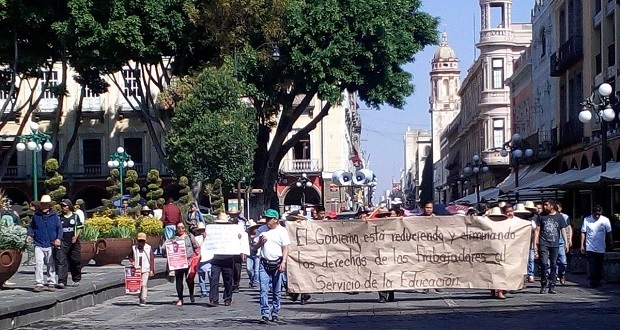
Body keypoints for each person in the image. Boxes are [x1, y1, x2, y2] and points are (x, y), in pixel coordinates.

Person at [254, 209, 290, 324]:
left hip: (277, 262)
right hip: (264, 263)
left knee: (276, 290)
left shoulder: (282, 231)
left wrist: (283, 262)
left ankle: (275, 312)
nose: (267, 221)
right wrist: (260, 242)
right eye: (266, 218)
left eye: (270, 219)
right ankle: (264, 313)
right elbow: (254, 246)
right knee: (263, 290)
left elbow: (285, 248)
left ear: (276, 220)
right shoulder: (261, 230)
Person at [27, 195, 63, 292]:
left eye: (46, 205)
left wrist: (58, 239)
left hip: (51, 244)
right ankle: (39, 283)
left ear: (50, 205)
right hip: (39, 243)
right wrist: (29, 235)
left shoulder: (55, 216)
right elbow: (31, 227)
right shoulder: (36, 216)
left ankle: (51, 282)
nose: (44, 206)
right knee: (38, 263)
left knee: (50, 264)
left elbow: (59, 228)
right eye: (43, 205)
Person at [207, 212, 242, 307]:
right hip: (215, 258)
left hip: (228, 257)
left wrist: (238, 238)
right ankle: (213, 299)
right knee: (214, 279)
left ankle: (228, 298)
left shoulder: (231, 229)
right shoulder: (213, 230)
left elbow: (239, 240)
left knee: (228, 279)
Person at [534, 199, 569, 294]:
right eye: (544, 205)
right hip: (543, 243)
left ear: (552, 206)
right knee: (544, 263)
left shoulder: (559, 217)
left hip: (555, 243)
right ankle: (543, 283)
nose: (544, 207)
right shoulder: (541, 216)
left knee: (554, 264)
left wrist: (566, 242)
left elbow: (563, 230)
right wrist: (535, 244)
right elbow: (537, 230)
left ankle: (552, 284)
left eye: (546, 205)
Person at [581, 205, 612, 288]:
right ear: (593, 213)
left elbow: (609, 232)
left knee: (599, 264)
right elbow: (583, 232)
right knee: (592, 264)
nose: (597, 216)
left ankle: (598, 279)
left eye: (599, 214)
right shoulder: (587, 220)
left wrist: (610, 242)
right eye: (596, 214)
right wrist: (582, 245)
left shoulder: (605, 220)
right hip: (590, 246)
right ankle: (593, 280)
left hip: (601, 246)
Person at [55, 199, 83, 289]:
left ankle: (76, 278)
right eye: (62, 206)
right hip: (63, 242)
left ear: (69, 206)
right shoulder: (59, 218)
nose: (63, 208)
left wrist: (76, 236)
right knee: (62, 261)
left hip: (74, 242)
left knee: (75, 260)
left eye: (65, 206)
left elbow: (79, 227)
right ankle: (62, 281)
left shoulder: (75, 217)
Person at [170, 222, 199, 306]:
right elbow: (165, 247)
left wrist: (196, 257)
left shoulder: (190, 236)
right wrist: (171, 243)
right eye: (178, 228)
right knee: (179, 280)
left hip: (189, 261)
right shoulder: (174, 237)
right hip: (178, 262)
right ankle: (180, 298)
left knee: (189, 279)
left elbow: (196, 246)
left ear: (185, 228)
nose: (180, 229)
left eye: (182, 228)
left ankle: (191, 293)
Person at [129, 232, 155, 306]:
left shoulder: (148, 247)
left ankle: (144, 298)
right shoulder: (134, 248)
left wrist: (152, 269)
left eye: (143, 241)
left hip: (146, 268)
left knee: (144, 284)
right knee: (138, 284)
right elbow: (130, 256)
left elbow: (152, 259)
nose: (141, 243)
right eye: (140, 241)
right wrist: (132, 261)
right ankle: (140, 296)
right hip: (137, 268)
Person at [227, 207, 245, 292]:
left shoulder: (241, 223)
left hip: (238, 248)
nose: (233, 216)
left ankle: (236, 284)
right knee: (229, 268)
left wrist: (243, 251)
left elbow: (244, 236)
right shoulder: (226, 223)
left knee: (237, 268)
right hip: (228, 248)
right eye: (232, 214)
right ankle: (230, 283)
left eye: (234, 214)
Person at [193, 222, 212, 298]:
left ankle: (212, 289)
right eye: (200, 230)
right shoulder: (196, 238)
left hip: (209, 258)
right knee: (201, 277)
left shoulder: (210, 238)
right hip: (200, 259)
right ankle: (203, 291)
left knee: (211, 276)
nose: (201, 232)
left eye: (203, 230)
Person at [555, 202, 572, 285]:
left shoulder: (564, 217)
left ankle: (562, 274)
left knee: (563, 261)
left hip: (561, 241)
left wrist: (568, 241)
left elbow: (567, 228)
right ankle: (553, 276)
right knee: (553, 261)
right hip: (552, 242)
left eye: (558, 208)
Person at [246, 220, 262, 289]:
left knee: (256, 270)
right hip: (249, 254)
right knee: (248, 268)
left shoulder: (260, 235)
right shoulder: (247, 236)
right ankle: (252, 280)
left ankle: (255, 282)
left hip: (257, 254)